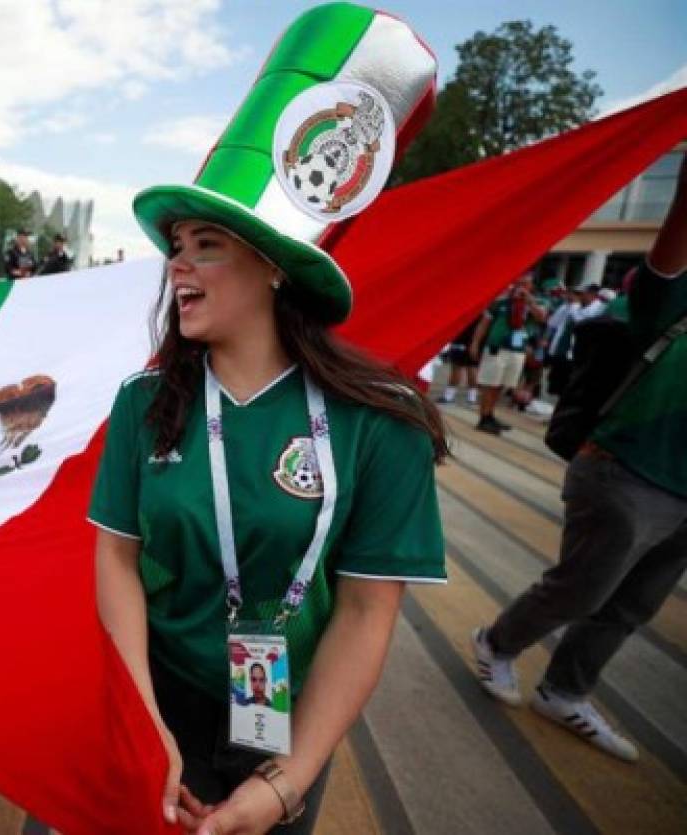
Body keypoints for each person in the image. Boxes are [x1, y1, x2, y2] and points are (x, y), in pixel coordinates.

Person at [91, 15, 444, 830]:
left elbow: (364, 611)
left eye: (205, 243)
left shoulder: (378, 423)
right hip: (162, 696)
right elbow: (116, 554)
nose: (176, 263)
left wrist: (289, 780)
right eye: (176, 244)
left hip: (289, 723)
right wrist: (146, 719)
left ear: (276, 266)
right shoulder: (142, 405)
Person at [472, 157, 687, 763]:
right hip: (626, 467)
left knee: (633, 604)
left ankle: (565, 690)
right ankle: (496, 643)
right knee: (583, 589)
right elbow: (668, 252)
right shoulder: (673, 293)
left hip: (681, 492)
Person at [468, 274, 548, 433]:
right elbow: (484, 324)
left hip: (517, 350)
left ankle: (490, 414)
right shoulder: (501, 302)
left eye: (526, 283)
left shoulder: (536, 302)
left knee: (503, 384)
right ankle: (484, 417)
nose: (521, 286)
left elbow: (541, 317)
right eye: (519, 283)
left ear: (531, 286)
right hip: (497, 348)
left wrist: (529, 301)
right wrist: (475, 343)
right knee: (490, 383)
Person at [438, 320, 479, 405]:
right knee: (471, 367)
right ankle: (472, 397)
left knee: (457, 367)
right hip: (475, 340)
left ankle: (448, 396)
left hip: (462, 338)